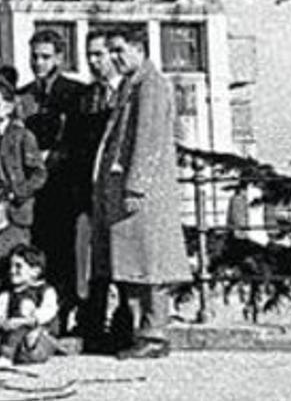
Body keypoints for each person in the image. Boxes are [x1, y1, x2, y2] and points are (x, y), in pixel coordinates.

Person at [91, 28, 192, 359]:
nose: (115, 57)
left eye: (120, 50)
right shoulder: (133, 85)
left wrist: (136, 184)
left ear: (138, 48)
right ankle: (141, 332)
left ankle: (153, 333)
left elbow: (147, 139)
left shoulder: (150, 86)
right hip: (126, 192)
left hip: (142, 194)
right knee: (133, 264)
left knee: (149, 266)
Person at [39, 30, 123, 335]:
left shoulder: (128, 94)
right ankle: (91, 322)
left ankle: (124, 325)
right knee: (89, 257)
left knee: (120, 255)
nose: (94, 62)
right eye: (89, 55)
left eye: (99, 55)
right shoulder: (84, 97)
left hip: (116, 187)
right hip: (83, 189)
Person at [0, 244, 60, 367]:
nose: (12, 271)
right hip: (11, 330)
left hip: (35, 334)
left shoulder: (44, 290)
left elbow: (49, 310)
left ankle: (7, 356)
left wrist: (29, 320)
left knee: (23, 331)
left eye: (18, 267)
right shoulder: (8, 293)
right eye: (11, 266)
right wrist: (0, 321)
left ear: (35, 271)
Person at [0, 83, 48, 234]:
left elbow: (39, 174)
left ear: (9, 108)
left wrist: (16, 192)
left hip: (16, 212)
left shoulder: (22, 136)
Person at [17, 30, 83, 159]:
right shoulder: (22, 94)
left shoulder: (76, 92)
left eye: (45, 57)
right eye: (34, 56)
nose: (38, 63)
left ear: (58, 58)